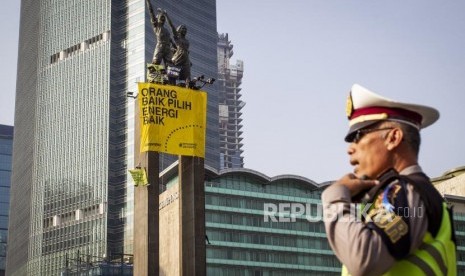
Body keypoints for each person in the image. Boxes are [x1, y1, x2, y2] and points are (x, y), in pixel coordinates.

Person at [322, 84, 456, 276]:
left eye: (358, 136)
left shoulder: (405, 191)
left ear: (393, 137)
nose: (350, 148)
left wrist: (335, 197)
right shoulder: (399, 194)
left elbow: (364, 260)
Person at [146, 0, 172, 66]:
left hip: (168, 48)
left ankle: (167, 75)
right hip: (160, 46)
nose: (163, 19)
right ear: (157, 19)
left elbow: (171, 41)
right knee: (156, 62)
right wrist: (148, 2)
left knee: (170, 65)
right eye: (161, 18)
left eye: (163, 18)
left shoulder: (167, 31)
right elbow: (151, 11)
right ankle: (154, 74)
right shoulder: (156, 26)